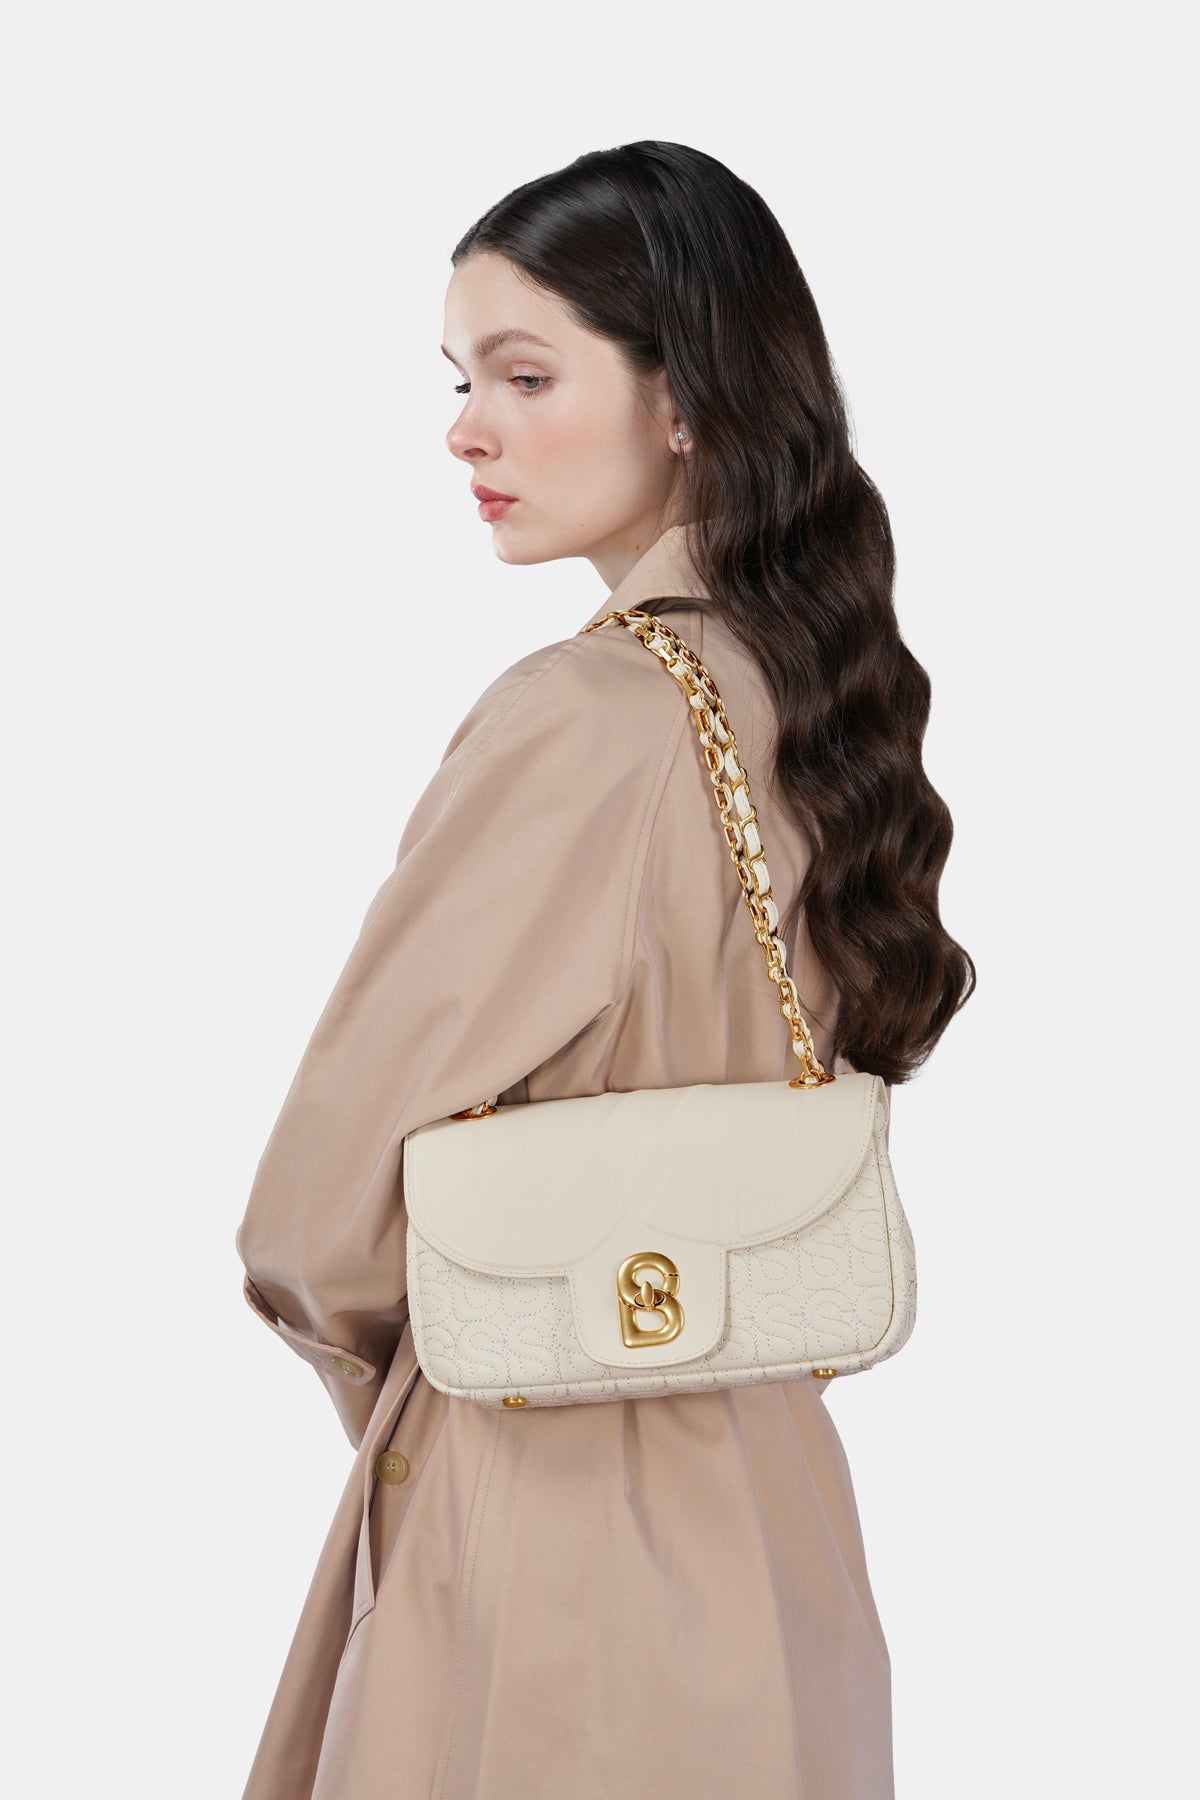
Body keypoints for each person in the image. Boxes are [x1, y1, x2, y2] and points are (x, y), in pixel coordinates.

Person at [235, 140, 975, 1800]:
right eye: (460, 380)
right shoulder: (827, 712)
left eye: (525, 374)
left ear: (686, 397)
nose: (466, 429)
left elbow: (312, 1217)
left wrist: (417, 1388)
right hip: (781, 1518)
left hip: (551, 1529)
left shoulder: (580, 721)